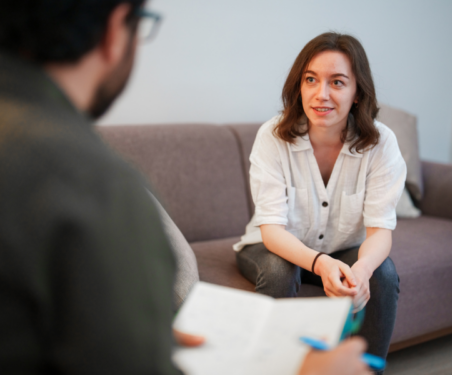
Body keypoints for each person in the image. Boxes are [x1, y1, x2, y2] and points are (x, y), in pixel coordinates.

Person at [0, 2, 371, 374]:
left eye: (337, 82)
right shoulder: (93, 182)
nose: (322, 93)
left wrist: (150, 339)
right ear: (115, 31)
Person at [234, 32, 406, 370]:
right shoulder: (273, 137)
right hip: (273, 246)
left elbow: (380, 230)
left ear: (358, 93)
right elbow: (271, 230)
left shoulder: (382, 144)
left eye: (337, 82)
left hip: (344, 248)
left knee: (382, 273)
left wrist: (361, 270)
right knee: (278, 269)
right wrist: (320, 264)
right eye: (310, 79)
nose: (320, 94)